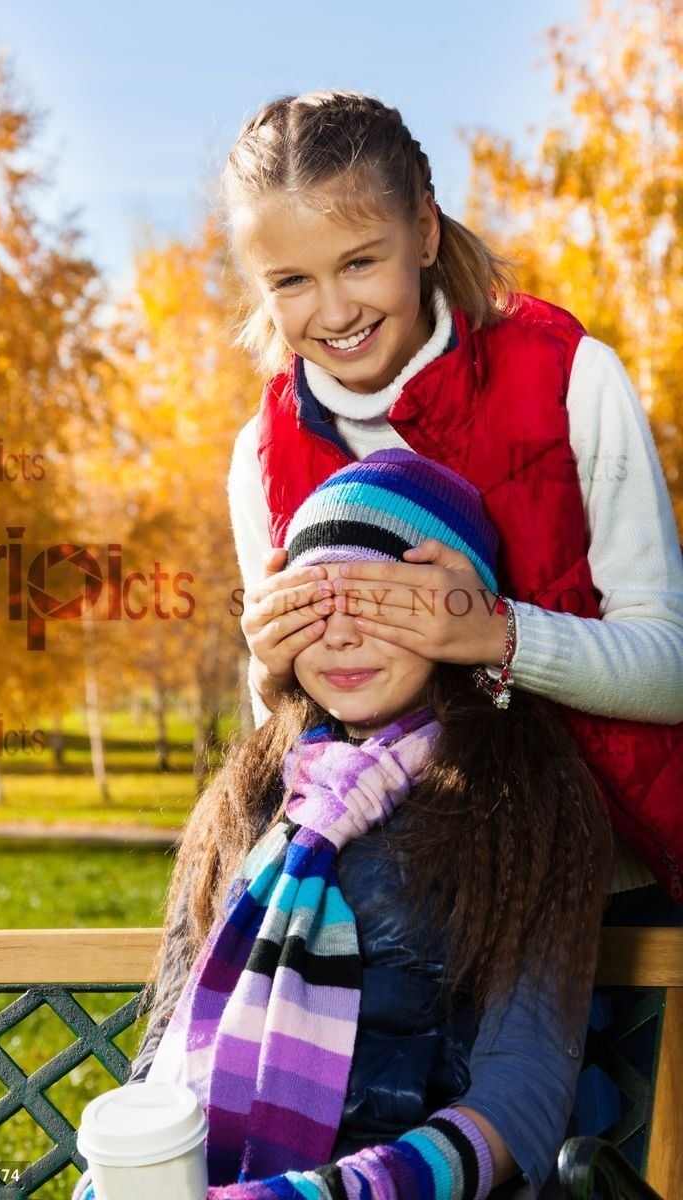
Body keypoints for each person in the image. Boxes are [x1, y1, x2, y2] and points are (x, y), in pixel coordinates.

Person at [72, 449, 614, 1200]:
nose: (339, 637)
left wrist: (325, 1194)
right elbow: (169, 1042)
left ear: (456, 614)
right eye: (312, 606)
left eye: (378, 603)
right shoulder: (253, 792)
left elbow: (522, 1097)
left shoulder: (530, 800)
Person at [222, 87, 683, 907]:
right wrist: (267, 667)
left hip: (615, 889)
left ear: (425, 232)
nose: (334, 311)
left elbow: (670, 669)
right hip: (389, 905)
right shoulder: (262, 453)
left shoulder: (570, 377)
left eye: (361, 261)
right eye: (291, 279)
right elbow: (285, 737)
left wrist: (493, 633)